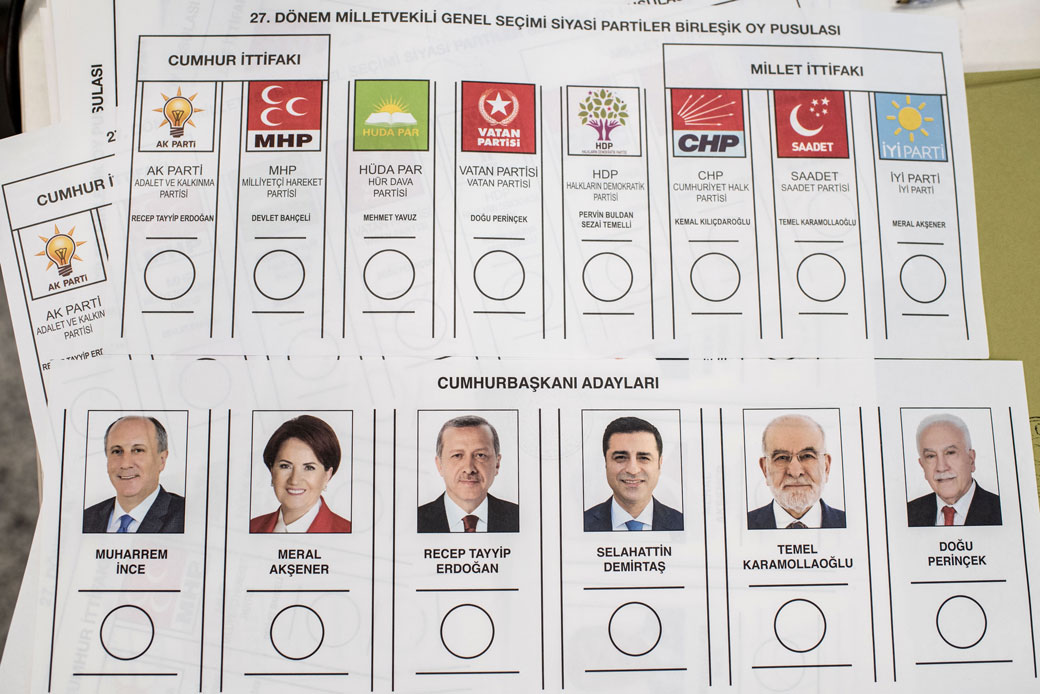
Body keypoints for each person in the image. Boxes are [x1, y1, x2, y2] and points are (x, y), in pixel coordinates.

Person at [83, 416, 185, 533]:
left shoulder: (188, 516)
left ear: (161, 460)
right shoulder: (86, 519)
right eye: (117, 451)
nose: (125, 464)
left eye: (138, 450)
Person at [250, 415, 351, 533]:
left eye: (309, 467)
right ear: (272, 471)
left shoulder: (348, 533)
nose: (294, 480)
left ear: (327, 476)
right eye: (285, 466)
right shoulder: (252, 527)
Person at [418, 415, 519, 532]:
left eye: (480, 455)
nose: (469, 468)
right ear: (439, 465)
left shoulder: (520, 518)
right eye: (457, 455)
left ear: (497, 464)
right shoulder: (413, 522)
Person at [584, 416, 683, 531]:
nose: (632, 470)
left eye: (644, 458)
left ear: (659, 464)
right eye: (620, 457)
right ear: (606, 462)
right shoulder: (580, 524)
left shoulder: (683, 525)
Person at [747, 414, 846, 529]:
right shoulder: (741, 526)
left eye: (807, 456)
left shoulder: (854, 525)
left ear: (826, 467)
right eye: (782, 457)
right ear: (765, 469)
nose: (795, 472)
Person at [907, 413, 1001, 526]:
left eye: (950, 453)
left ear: (971, 459)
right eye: (931, 456)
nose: (941, 467)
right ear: (923, 466)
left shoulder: (1002, 511)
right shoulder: (908, 514)